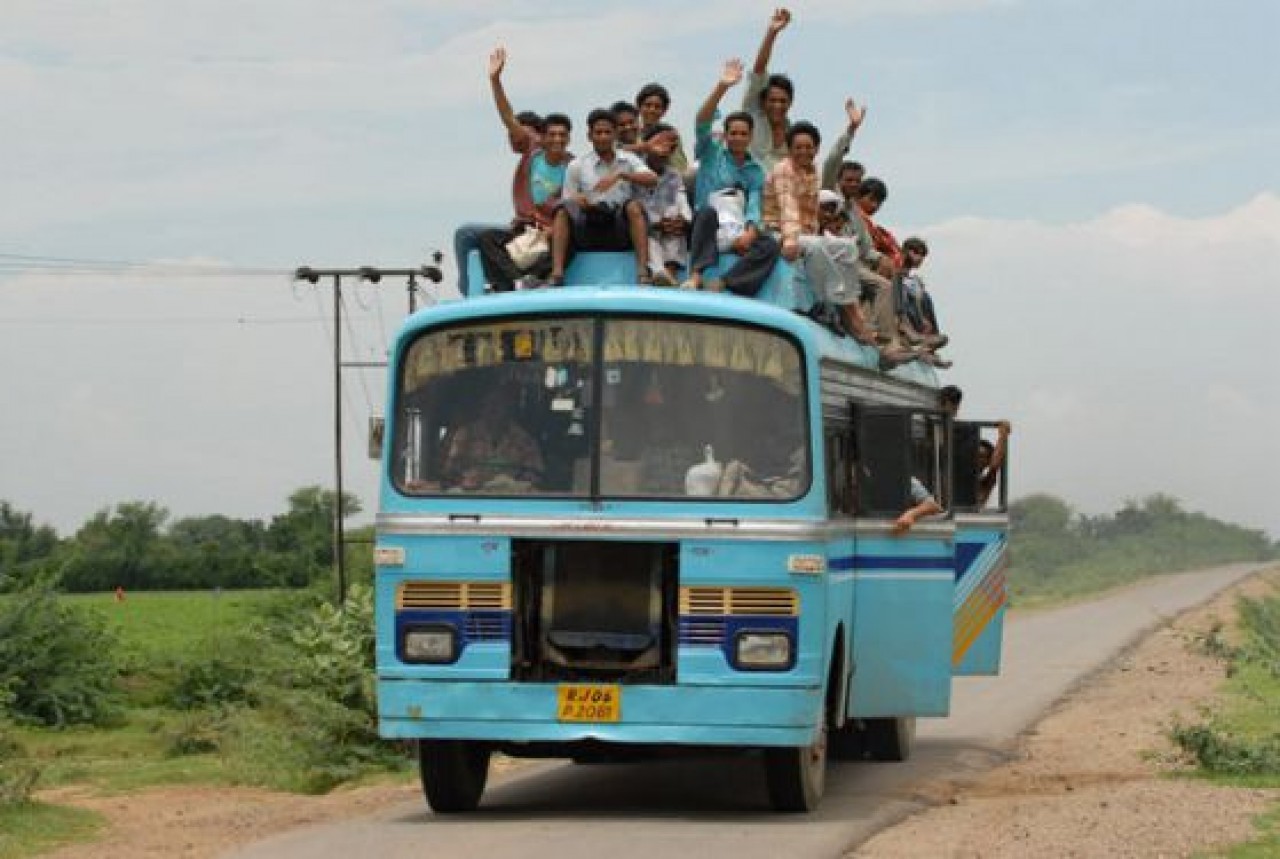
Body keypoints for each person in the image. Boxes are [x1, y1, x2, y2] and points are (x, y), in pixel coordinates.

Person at [762, 120, 883, 346]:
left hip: (806, 234)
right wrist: (789, 241)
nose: (803, 152)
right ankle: (844, 314)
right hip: (777, 232)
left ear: (816, 149)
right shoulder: (783, 170)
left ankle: (852, 312)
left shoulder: (812, 172)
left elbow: (810, 213)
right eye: (798, 147)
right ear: (789, 149)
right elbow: (788, 206)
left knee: (846, 246)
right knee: (817, 247)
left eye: (809, 147)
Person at [473, 49, 573, 292]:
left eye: (562, 135)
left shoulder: (575, 166)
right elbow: (508, 116)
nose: (556, 140)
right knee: (486, 238)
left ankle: (534, 280)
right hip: (526, 230)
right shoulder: (534, 153)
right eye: (552, 135)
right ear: (544, 137)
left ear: (569, 138)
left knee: (570, 242)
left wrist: (553, 231)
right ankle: (516, 282)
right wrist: (495, 82)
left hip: (554, 234)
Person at [682, 57, 779, 295]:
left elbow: (755, 204)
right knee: (705, 214)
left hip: (738, 230)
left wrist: (750, 232)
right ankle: (695, 276)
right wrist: (723, 86)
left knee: (770, 245)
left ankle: (726, 282)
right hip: (710, 227)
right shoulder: (711, 154)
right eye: (732, 133)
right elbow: (702, 122)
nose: (737, 137)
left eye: (743, 134)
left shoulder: (755, 170)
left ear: (750, 137)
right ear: (725, 135)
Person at [549, 108, 658, 286]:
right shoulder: (577, 165)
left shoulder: (629, 160)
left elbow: (653, 179)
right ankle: (557, 274)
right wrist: (580, 201)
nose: (603, 137)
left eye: (607, 132)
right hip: (588, 227)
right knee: (562, 211)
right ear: (589, 136)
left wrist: (622, 175)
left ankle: (643, 272)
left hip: (618, 227)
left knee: (633, 207)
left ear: (615, 134)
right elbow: (568, 199)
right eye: (598, 132)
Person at [440, 389, 544, 490]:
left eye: (499, 404)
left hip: (511, 500)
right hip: (471, 498)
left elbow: (535, 474)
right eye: (489, 403)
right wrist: (465, 480)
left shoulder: (524, 440)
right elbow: (450, 472)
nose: (493, 409)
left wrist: (514, 483)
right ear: (481, 407)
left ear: (509, 408)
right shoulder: (466, 434)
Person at [636, 123, 692, 286]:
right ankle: (659, 271)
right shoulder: (635, 169)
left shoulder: (673, 174)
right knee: (648, 231)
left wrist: (683, 220)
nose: (665, 151)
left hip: (668, 226)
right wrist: (656, 222)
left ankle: (670, 272)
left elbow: (681, 197)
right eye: (661, 145)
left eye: (671, 147)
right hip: (641, 226)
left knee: (676, 217)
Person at [742, 8, 795, 172]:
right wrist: (772, 33)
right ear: (763, 101)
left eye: (783, 101)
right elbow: (759, 69)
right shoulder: (752, 113)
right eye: (772, 100)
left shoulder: (792, 131)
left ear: (790, 103)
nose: (777, 105)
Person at [896, 236, 950, 365]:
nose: (920, 258)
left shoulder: (912, 279)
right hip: (903, 316)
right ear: (906, 251)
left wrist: (924, 319)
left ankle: (927, 347)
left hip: (914, 316)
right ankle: (915, 338)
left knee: (924, 294)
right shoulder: (896, 271)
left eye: (922, 255)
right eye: (916, 253)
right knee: (915, 291)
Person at [635, 82, 690, 173]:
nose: (652, 110)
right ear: (639, 106)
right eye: (648, 105)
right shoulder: (631, 133)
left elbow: (681, 168)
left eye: (657, 107)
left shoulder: (670, 134)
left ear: (664, 110)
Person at [821, 98, 868, 192]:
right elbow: (833, 159)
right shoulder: (829, 192)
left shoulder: (854, 204)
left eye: (857, 181)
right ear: (838, 180)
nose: (853, 184)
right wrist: (852, 129)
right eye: (849, 180)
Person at [976, 420, 1012, 508]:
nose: (978, 459)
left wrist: (1003, 436)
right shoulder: (954, 474)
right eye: (976, 455)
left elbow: (994, 466)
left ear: (988, 461)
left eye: (982, 456)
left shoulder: (986, 482)